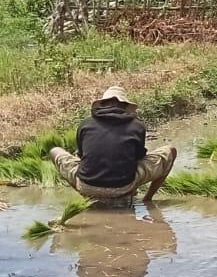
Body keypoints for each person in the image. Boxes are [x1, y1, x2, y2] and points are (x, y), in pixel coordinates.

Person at [49, 85, 177, 202]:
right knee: (171, 151)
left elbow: (81, 156)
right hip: (124, 187)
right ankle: (147, 199)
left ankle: (86, 194)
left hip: (86, 185)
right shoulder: (137, 126)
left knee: (54, 151)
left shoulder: (86, 124)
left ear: (103, 104)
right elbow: (139, 157)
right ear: (124, 106)